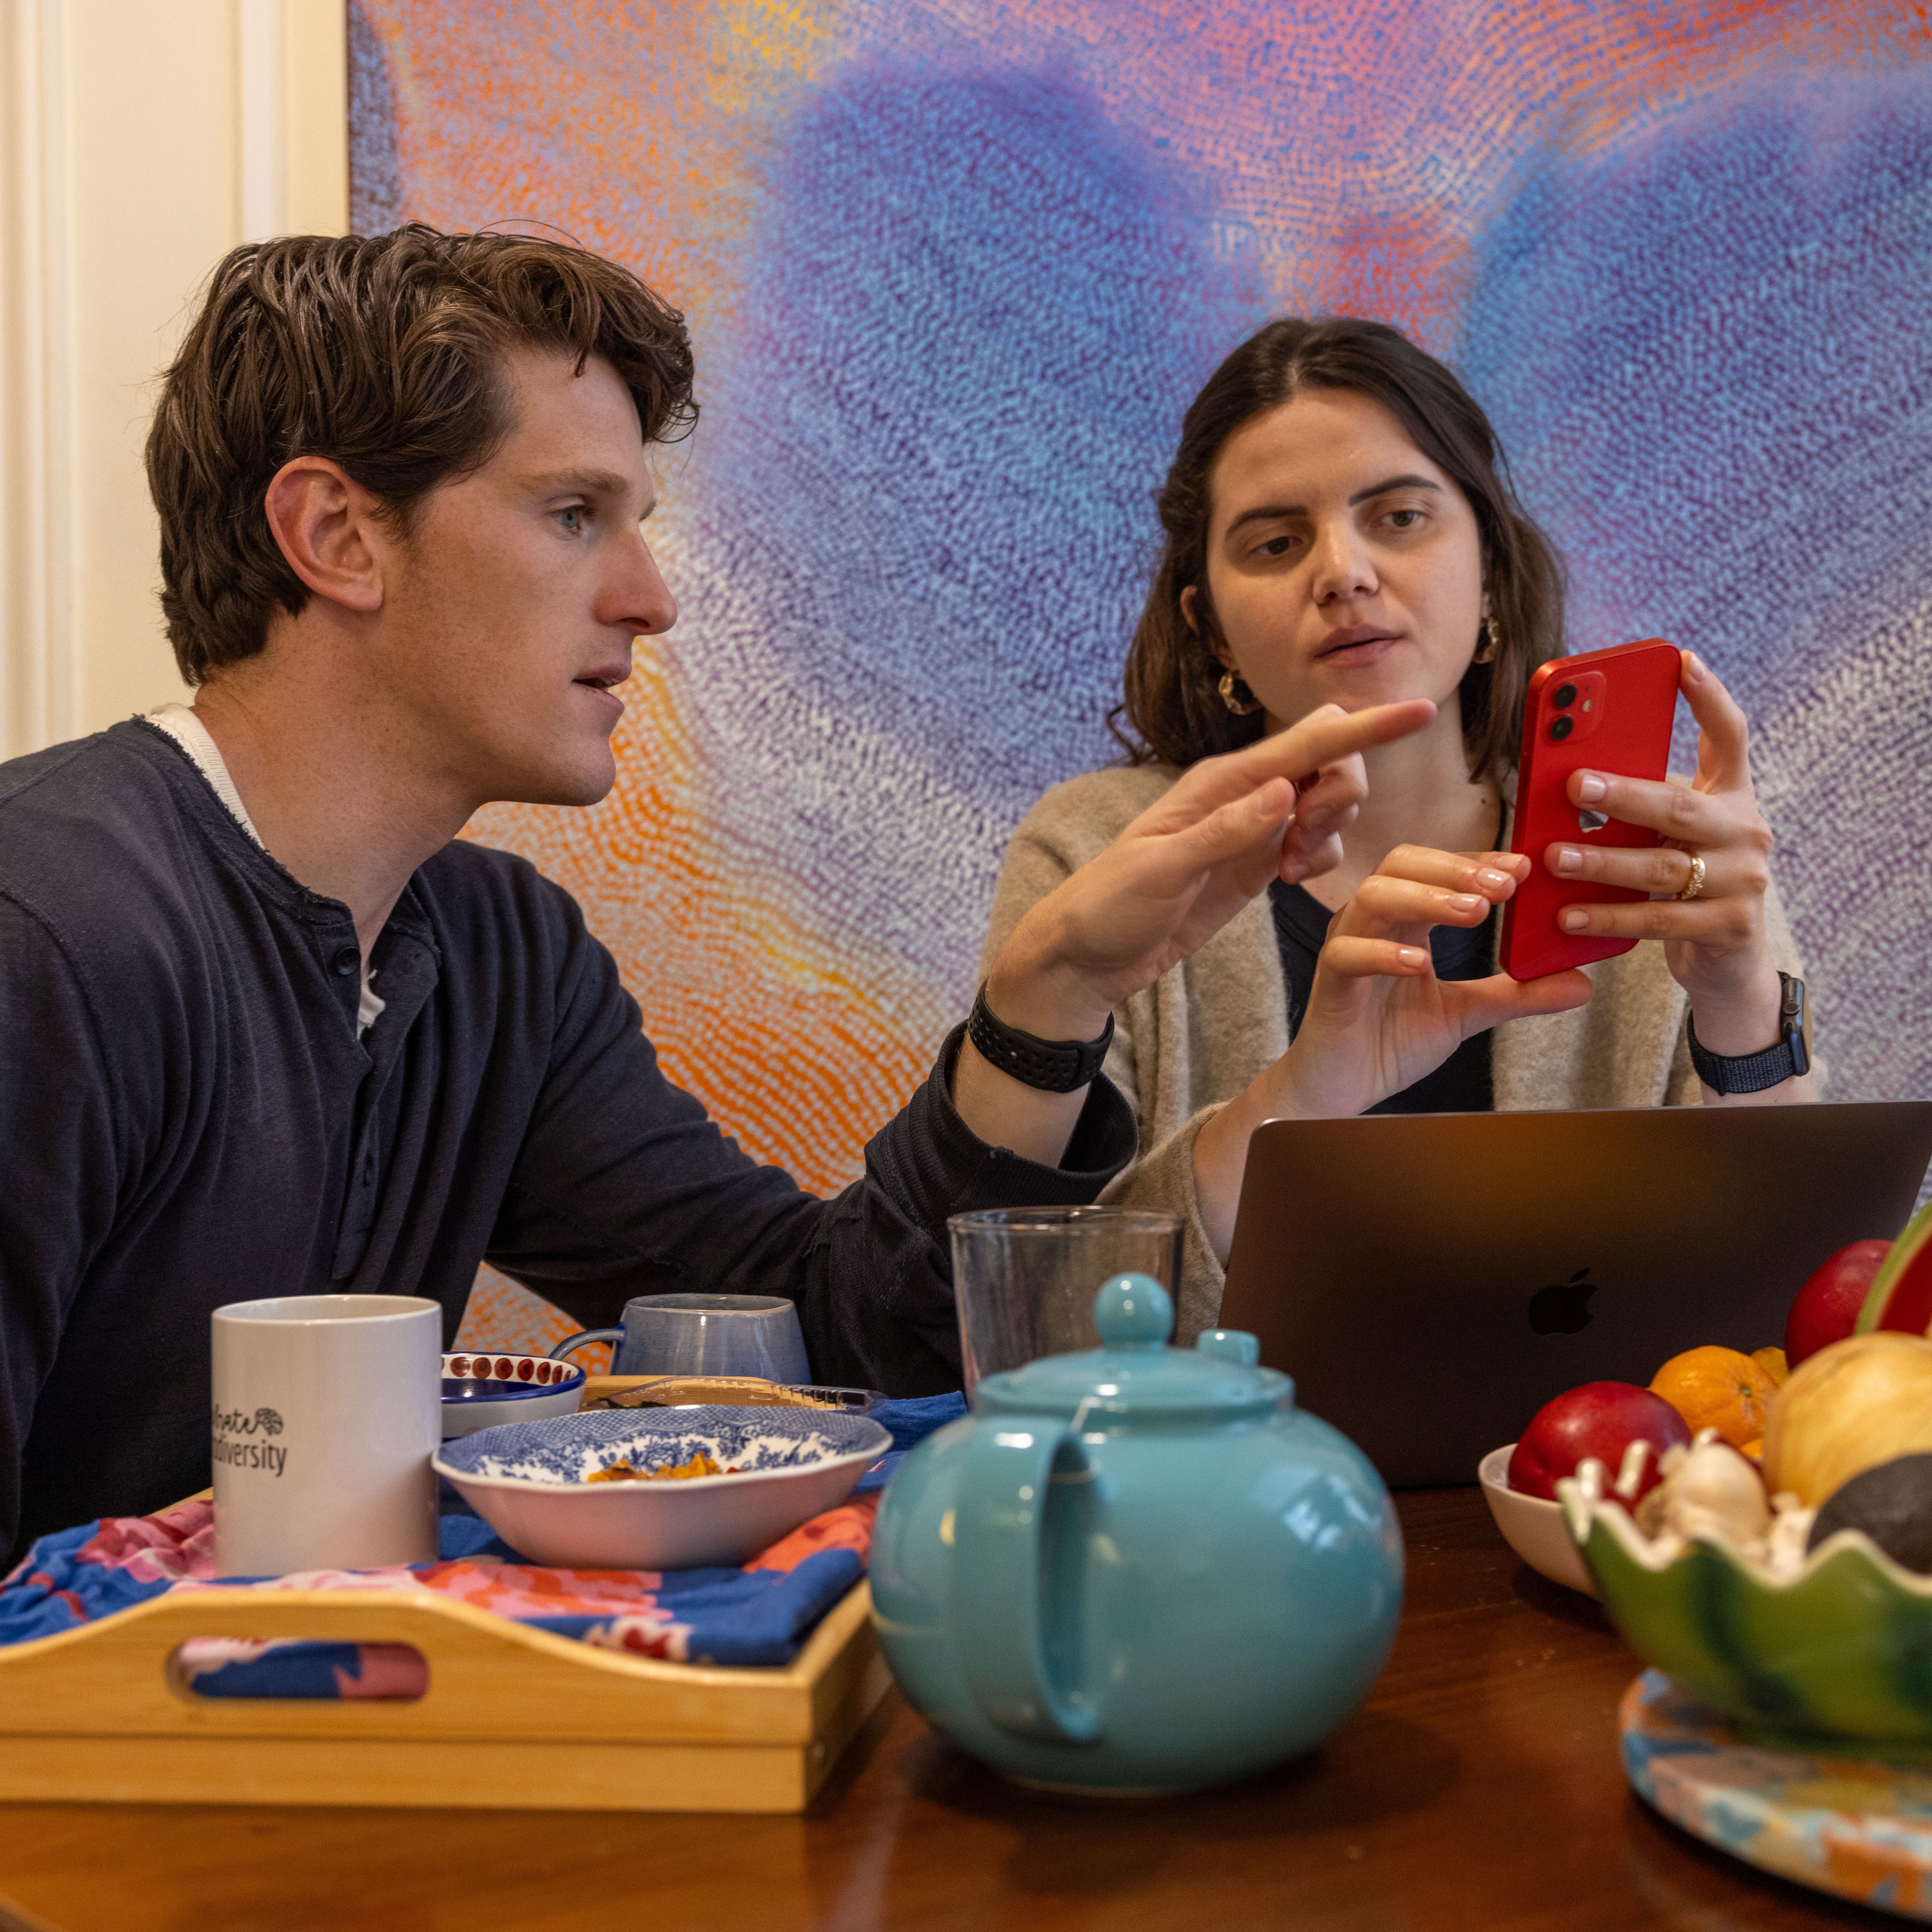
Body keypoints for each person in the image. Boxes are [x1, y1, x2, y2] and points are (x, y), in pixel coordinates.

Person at [0, 232, 1433, 1566]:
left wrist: (1045, 1001)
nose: (649, 597)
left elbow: (828, 1338)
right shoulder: (44, 934)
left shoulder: (504, 960)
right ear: (336, 534)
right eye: (574, 515)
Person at [982, 317, 1813, 1343]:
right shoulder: (1098, 853)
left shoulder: (1659, 856)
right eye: (1277, 543)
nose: (1344, 572)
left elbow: (1796, 1305)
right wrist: (1291, 1105)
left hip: (1582, 1489)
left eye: (1401, 517)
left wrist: (1741, 1007)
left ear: (1493, 575)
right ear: (1211, 630)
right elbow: (1028, 1317)